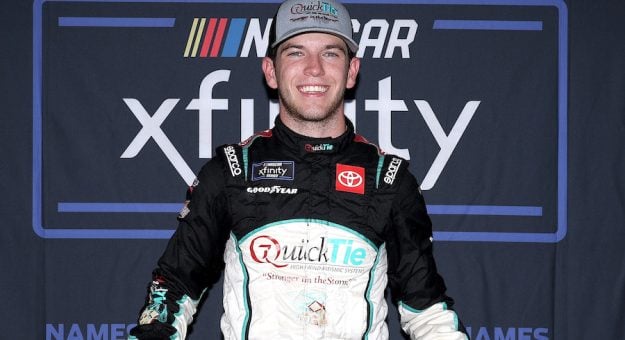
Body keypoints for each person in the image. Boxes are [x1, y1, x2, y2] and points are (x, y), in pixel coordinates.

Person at [129, 0, 468, 339]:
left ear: (351, 71)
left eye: (331, 53)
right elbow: (173, 288)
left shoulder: (388, 178)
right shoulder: (233, 170)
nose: (314, 69)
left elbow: (427, 311)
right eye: (295, 53)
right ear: (271, 71)